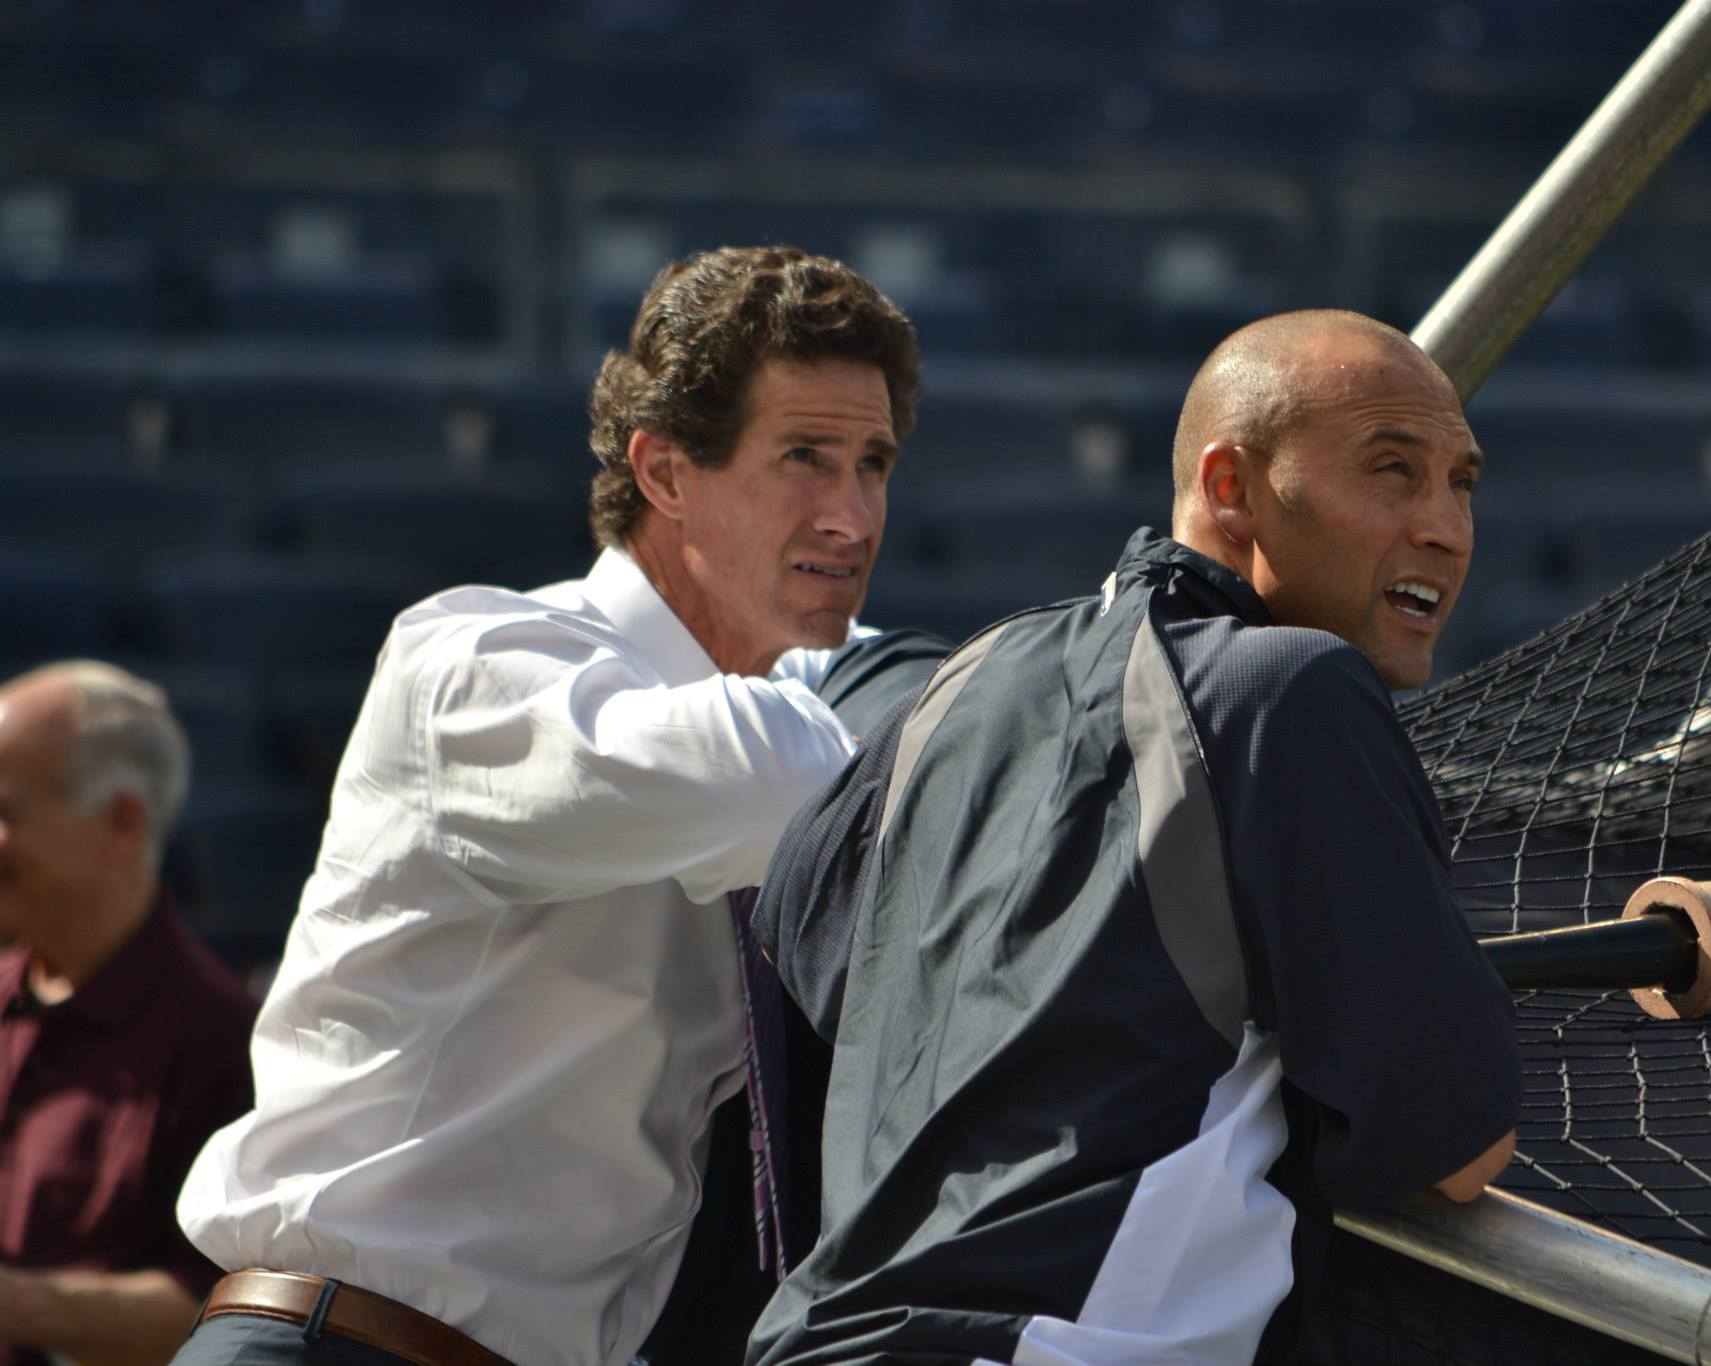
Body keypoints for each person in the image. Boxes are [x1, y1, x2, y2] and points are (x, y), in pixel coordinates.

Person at [174, 244, 920, 1366]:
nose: (851, 515)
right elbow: (772, 776)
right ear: (664, 473)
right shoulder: (478, 655)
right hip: (335, 1344)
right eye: (804, 457)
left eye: (872, 463)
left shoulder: (760, 705)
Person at [748, 310, 1520, 1366]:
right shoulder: (1293, 690)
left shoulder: (962, 681)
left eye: (1460, 481)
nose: (1444, 526)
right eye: (1392, 471)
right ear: (1228, 486)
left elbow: (801, 939)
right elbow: (1458, 1150)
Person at [0, 661, 257, 1366]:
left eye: (5, 813)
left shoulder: (224, 1044)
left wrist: (20, 1305)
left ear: (121, 822)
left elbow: (229, 1312)